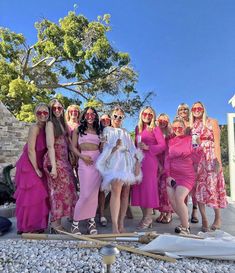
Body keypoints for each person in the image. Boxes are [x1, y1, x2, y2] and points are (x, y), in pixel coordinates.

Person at [96, 106, 143, 233]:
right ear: (111, 117)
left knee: (125, 193)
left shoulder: (126, 133)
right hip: (114, 163)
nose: (117, 119)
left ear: (123, 119)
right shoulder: (107, 130)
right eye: (115, 116)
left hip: (127, 163)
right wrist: (115, 147)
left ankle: (121, 223)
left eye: (120, 117)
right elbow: (103, 148)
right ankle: (115, 226)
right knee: (116, 191)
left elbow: (133, 149)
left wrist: (137, 162)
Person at [190, 101, 227, 232]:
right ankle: (204, 218)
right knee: (199, 188)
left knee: (213, 187)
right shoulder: (192, 126)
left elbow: (217, 144)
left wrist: (218, 162)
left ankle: (217, 218)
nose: (196, 110)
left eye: (199, 108)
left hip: (211, 158)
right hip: (198, 159)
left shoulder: (212, 121)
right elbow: (192, 145)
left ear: (203, 109)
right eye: (193, 108)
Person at [14, 103, 50, 234]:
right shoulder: (34, 127)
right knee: (32, 195)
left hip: (38, 163)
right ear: (35, 114)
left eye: (45, 112)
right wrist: (36, 169)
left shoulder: (47, 128)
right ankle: (27, 227)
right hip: (29, 164)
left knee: (39, 195)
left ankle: (36, 225)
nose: (42, 115)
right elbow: (30, 150)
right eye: (39, 113)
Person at [43, 99, 78, 233]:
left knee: (67, 191)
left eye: (59, 108)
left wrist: (75, 156)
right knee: (56, 193)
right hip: (55, 161)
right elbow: (50, 146)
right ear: (51, 110)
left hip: (64, 162)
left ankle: (60, 222)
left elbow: (68, 143)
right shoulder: (50, 124)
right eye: (54, 108)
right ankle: (55, 224)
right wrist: (54, 167)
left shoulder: (61, 123)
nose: (57, 110)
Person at [165, 119, 202, 235]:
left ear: (185, 127)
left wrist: (197, 143)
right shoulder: (171, 141)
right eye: (174, 128)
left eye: (180, 127)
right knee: (173, 201)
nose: (177, 130)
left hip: (186, 174)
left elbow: (198, 156)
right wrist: (168, 175)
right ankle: (184, 222)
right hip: (172, 175)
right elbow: (167, 159)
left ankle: (185, 228)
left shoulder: (192, 139)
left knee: (179, 198)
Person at [131, 106, 166, 229]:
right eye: (145, 113)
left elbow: (162, 145)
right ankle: (145, 216)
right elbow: (136, 145)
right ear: (141, 114)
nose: (147, 116)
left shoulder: (155, 129)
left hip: (150, 160)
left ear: (153, 116)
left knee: (148, 188)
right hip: (139, 160)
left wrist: (148, 148)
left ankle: (148, 217)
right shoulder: (138, 128)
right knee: (138, 187)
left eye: (150, 114)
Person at [71, 107, 102, 235]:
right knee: (85, 194)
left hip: (97, 162)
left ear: (95, 116)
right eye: (87, 114)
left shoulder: (99, 130)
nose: (90, 116)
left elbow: (102, 148)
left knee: (94, 195)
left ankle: (91, 222)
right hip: (84, 161)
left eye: (92, 114)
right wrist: (82, 156)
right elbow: (72, 147)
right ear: (84, 116)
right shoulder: (78, 129)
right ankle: (75, 223)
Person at [177, 103, 199, 224]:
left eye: (185, 109)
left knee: (193, 187)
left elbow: (195, 143)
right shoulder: (176, 124)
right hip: (179, 159)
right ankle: (183, 215)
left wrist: (195, 158)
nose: (183, 111)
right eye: (181, 109)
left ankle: (194, 211)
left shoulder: (193, 124)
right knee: (181, 186)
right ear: (178, 112)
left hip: (191, 158)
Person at [155, 113, 173, 224]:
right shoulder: (155, 133)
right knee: (159, 189)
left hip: (168, 162)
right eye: (160, 121)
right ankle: (162, 212)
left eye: (165, 121)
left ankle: (169, 212)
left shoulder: (171, 134)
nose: (162, 123)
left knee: (167, 189)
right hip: (158, 162)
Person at [98, 113, 111, 227]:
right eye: (103, 119)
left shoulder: (114, 131)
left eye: (108, 119)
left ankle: (111, 214)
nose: (105, 120)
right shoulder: (97, 132)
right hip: (98, 163)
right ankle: (101, 214)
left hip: (112, 163)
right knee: (100, 190)